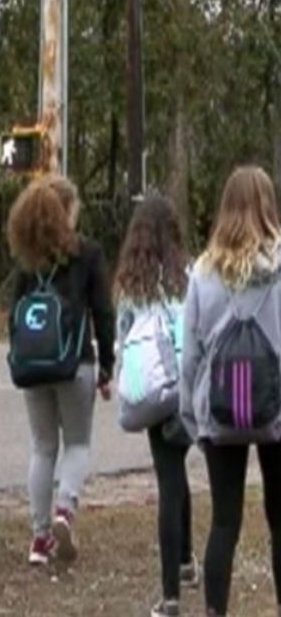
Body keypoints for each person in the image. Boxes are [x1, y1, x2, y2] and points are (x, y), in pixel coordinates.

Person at [179, 166, 281, 617]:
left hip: (221, 408)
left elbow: (191, 353)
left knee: (224, 521)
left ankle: (215, 612)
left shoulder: (202, 274)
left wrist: (191, 414)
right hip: (276, 408)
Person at [6, 175, 115, 565]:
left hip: (33, 364)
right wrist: (107, 367)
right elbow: (103, 311)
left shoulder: (27, 259)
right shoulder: (87, 254)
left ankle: (39, 539)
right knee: (78, 443)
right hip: (75, 362)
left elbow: (14, 316)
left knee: (42, 448)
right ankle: (65, 510)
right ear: (66, 211)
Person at [111, 195, 199, 617]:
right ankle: (185, 560)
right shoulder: (188, 275)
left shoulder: (131, 284)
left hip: (153, 388)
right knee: (178, 468)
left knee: (167, 476)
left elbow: (122, 337)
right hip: (187, 384)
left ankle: (170, 595)